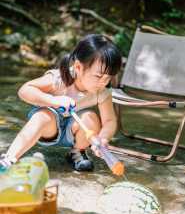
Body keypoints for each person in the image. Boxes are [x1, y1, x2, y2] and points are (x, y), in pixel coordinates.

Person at [0, 34, 122, 172]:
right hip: (49, 129)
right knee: (42, 116)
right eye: (99, 76)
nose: (103, 82)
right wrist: (53, 100)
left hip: (74, 131)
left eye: (108, 78)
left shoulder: (102, 91)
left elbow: (110, 121)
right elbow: (24, 90)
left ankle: (78, 152)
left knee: (90, 118)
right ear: (78, 67)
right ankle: (9, 159)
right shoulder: (59, 78)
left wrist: (103, 138)